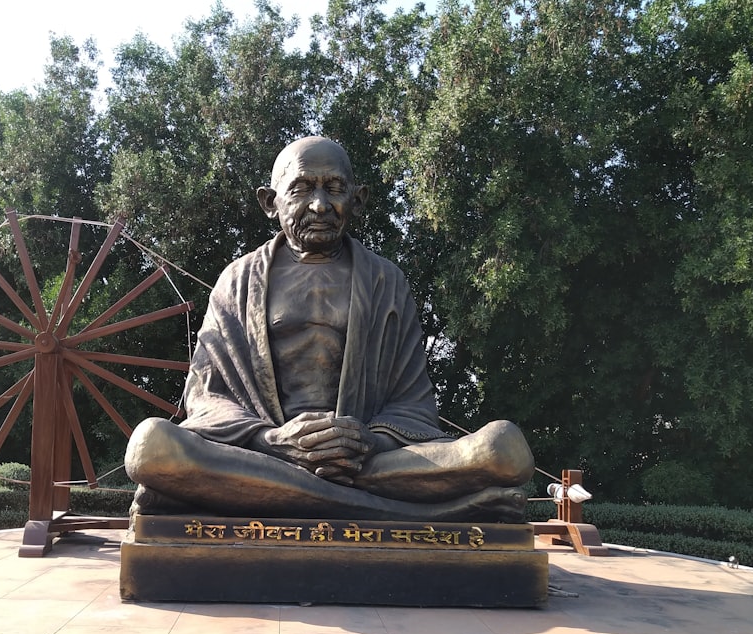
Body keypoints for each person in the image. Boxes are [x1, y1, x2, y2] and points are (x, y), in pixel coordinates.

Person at [125, 136, 534, 522]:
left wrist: (367, 441)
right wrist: (274, 440)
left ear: (357, 200)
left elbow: (412, 404)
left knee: (502, 448)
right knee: (153, 447)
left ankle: (275, 493)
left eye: (334, 188)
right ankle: (420, 512)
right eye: (302, 188)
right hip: (265, 452)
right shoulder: (238, 281)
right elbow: (207, 396)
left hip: (367, 460)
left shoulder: (385, 282)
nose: (320, 205)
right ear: (271, 202)